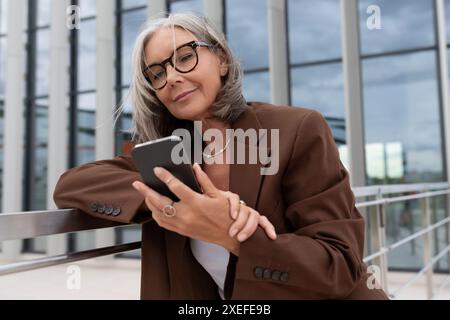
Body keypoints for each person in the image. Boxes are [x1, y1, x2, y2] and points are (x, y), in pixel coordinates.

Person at [53, 13, 388, 300]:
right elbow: (70, 186)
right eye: (156, 73)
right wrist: (173, 196)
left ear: (223, 60)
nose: (171, 77)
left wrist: (232, 234)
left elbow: (340, 265)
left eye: (185, 57)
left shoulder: (296, 129)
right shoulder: (173, 153)